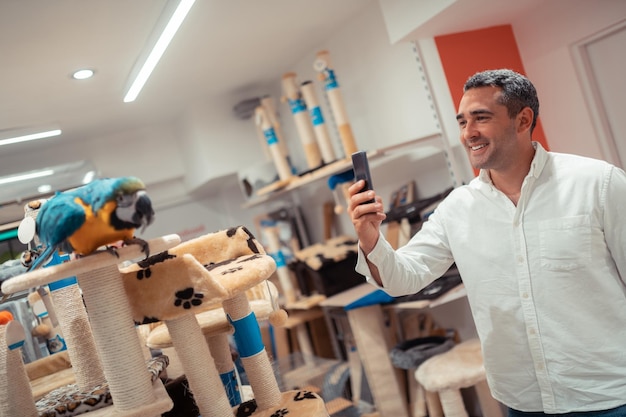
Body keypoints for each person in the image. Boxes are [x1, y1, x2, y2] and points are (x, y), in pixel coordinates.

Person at [348, 69, 626, 416]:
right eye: (463, 122)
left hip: (608, 393)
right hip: (522, 400)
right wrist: (369, 235)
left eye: (481, 118)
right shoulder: (457, 209)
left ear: (523, 120)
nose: (469, 133)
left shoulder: (597, 183)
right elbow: (403, 278)